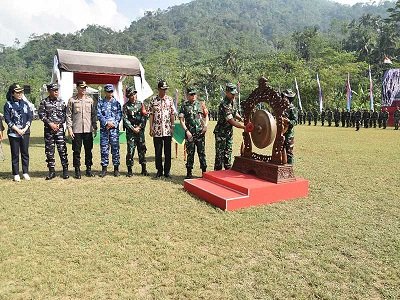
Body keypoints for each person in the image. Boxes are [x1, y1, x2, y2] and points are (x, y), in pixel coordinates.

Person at [66, 80, 97, 179]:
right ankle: (77, 170)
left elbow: (93, 115)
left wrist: (95, 127)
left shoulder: (90, 100)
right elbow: (68, 116)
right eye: (82, 87)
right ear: (77, 88)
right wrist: (69, 129)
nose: (83, 89)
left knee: (88, 150)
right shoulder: (72, 100)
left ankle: (88, 169)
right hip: (77, 130)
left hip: (88, 129)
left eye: (85, 87)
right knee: (76, 151)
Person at [38, 83, 69, 180]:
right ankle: (52, 171)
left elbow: (65, 115)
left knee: (62, 150)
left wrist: (59, 124)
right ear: (49, 91)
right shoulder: (44, 102)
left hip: (59, 130)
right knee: (49, 152)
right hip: (49, 131)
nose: (56, 92)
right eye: (54, 90)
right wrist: (50, 123)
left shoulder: (62, 102)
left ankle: (65, 171)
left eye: (57, 90)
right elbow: (41, 115)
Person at [3, 83, 33, 181]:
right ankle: (16, 173)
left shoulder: (25, 103)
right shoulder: (8, 104)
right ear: (12, 93)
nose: (20, 94)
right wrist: (17, 130)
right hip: (13, 133)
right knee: (15, 153)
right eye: (17, 92)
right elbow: (7, 119)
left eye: (21, 92)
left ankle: (25, 172)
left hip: (25, 132)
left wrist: (25, 129)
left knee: (25, 153)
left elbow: (30, 116)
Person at [213, 83, 245, 171]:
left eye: (235, 93)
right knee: (220, 155)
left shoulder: (232, 102)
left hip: (228, 132)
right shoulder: (224, 104)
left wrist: (242, 119)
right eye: (232, 93)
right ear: (227, 92)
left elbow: (234, 113)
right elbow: (231, 121)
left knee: (228, 153)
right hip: (221, 133)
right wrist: (243, 127)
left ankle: (227, 171)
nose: (234, 95)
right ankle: (217, 173)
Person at [179, 86, 208, 179]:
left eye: (194, 94)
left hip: (200, 133)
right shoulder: (184, 106)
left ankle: (204, 171)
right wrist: (187, 131)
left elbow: (206, 116)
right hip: (190, 133)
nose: (193, 96)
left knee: (202, 153)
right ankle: (189, 172)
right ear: (187, 95)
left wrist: (206, 126)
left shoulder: (200, 104)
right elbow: (181, 120)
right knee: (190, 153)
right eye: (191, 94)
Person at [149, 80, 175, 178]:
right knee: (158, 151)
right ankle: (159, 170)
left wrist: (172, 127)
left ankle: (167, 171)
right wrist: (151, 127)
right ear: (159, 89)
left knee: (168, 152)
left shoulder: (170, 100)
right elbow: (151, 115)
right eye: (162, 89)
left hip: (167, 130)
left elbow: (172, 114)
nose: (164, 91)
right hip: (157, 130)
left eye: (165, 89)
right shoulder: (153, 100)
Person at [122, 86, 149, 177]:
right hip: (131, 132)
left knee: (142, 149)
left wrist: (140, 127)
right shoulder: (126, 106)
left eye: (134, 94)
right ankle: (129, 170)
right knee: (130, 151)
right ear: (128, 96)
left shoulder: (140, 104)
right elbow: (125, 119)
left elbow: (144, 117)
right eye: (131, 95)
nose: (133, 96)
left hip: (140, 132)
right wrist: (133, 128)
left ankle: (144, 169)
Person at [97, 84, 122, 177]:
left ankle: (116, 169)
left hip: (114, 130)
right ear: (105, 92)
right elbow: (99, 115)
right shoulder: (100, 103)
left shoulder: (117, 103)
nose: (110, 93)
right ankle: (104, 169)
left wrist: (114, 124)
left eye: (111, 91)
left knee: (115, 149)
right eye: (108, 91)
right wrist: (106, 123)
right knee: (104, 149)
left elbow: (119, 115)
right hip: (104, 129)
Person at [282, 89, 298, 164]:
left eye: (286, 97)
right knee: (281, 150)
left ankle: (290, 168)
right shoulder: (281, 108)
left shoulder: (292, 109)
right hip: (281, 132)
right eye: (284, 97)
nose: (284, 98)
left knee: (289, 151)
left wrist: (288, 121)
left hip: (289, 133)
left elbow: (295, 121)